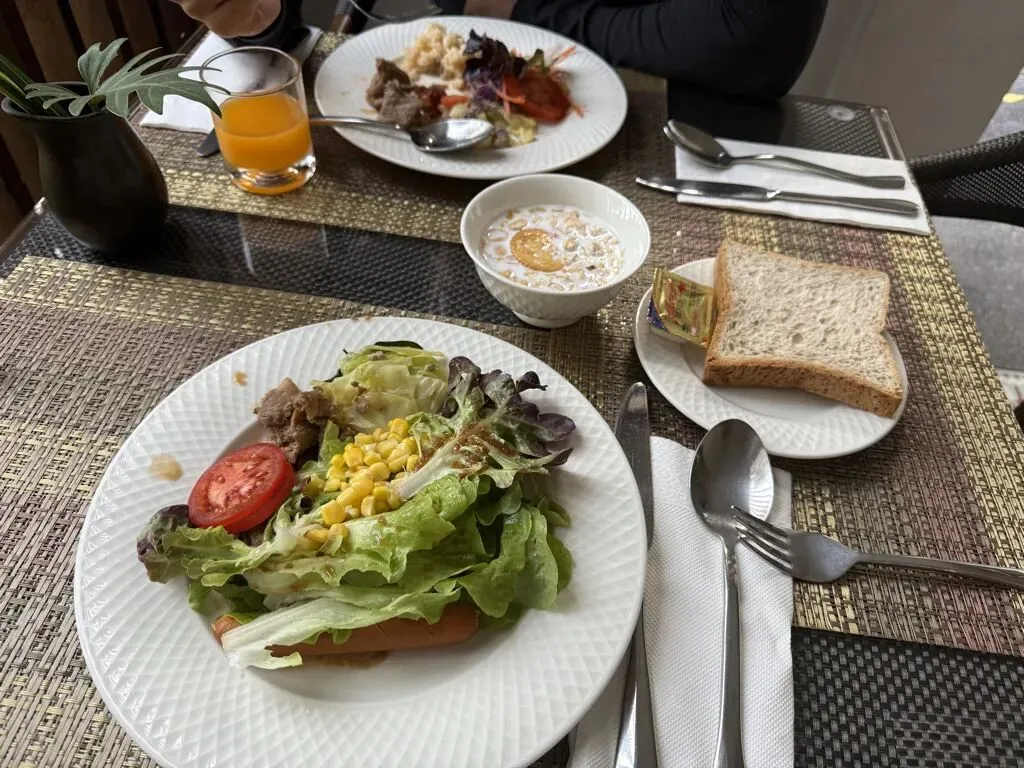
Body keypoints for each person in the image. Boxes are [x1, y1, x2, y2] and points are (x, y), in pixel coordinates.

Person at [173, 0, 827, 100]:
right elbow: (272, 20)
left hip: (653, 95)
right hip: (398, 102)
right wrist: (255, 17)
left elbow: (756, 40)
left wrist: (522, 12)